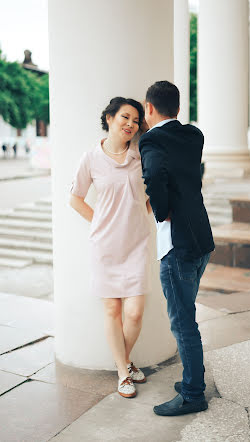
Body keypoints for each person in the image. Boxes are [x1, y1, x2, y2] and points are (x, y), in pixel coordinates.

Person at [139, 81, 215, 416]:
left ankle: (193, 394)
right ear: (179, 109)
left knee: (183, 322)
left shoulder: (152, 139)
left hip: (178, 244)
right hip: (201, 238)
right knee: (187, 315)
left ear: (148, 108)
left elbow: (155, 174)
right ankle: (190, 380)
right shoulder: (194, 135)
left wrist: (160, 208)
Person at [70, 97, 151, 398]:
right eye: (124, 117)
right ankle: (123, 372)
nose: (130, 124)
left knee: (134, 313)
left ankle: (124, 362)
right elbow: (75, 197)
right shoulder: (91, 158)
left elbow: (156, 187)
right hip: (105, 246)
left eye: (135, 120)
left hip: (136, 242)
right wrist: (99, 223)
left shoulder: (141, 155)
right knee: (112, 309)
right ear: (109, 118)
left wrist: (147, 208)